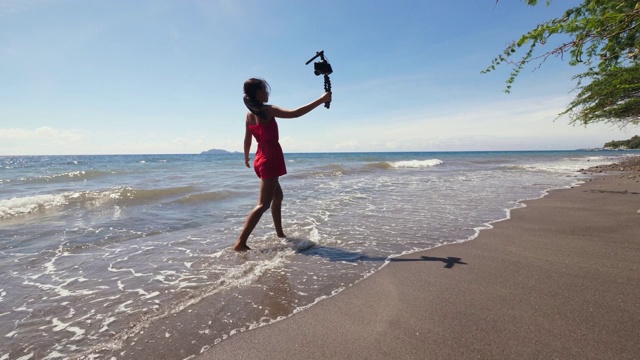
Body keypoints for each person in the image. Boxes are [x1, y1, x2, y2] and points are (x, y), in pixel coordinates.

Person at [234, 78, 331, 251]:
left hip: (261, 157)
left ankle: (280, 234)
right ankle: (241, 242)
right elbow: (295, 113)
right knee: (263, 204)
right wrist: (321, 100)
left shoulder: (250, 115)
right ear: (257, 93)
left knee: (277, 197)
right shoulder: (268, 110)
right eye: (264, 90)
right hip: (270, 158)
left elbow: (247, 138)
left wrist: (246, 157)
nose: (267, 93)